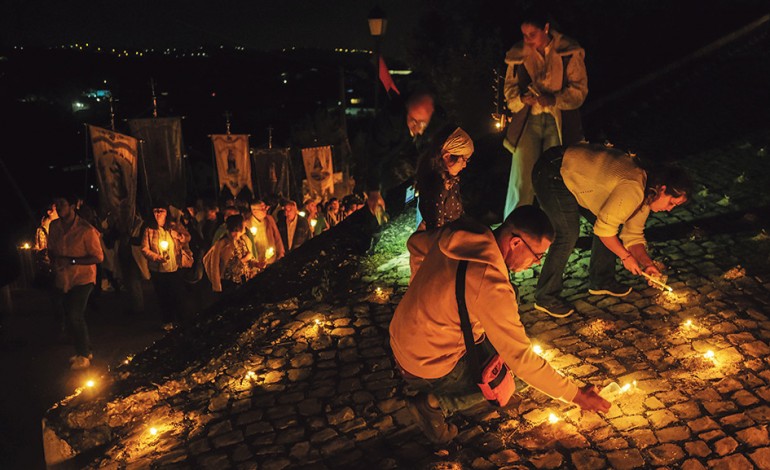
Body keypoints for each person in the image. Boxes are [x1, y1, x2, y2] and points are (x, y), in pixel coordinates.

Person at [390, 206, 610, 444]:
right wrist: (576, 396)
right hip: (427, 366)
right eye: (537, 255)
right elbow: (521, 359)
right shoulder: (491, 284)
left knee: (500, 339)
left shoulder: (463, 235)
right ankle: (434, 404)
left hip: (400, 339)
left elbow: (415, 245)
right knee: (512, 378)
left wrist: (421, 289)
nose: (536, 263)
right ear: (515, 243)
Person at [532, 143, 693, 317]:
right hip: (554, 170)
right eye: (671, 203)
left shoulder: (647, 194)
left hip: (579, 176)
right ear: (662, 189)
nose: (670, 210)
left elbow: (633, 235)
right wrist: (625, 256)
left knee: (609, 221)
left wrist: (648, 265)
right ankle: (545, 296)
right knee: (568, 233)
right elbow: (604, 231)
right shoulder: (634, 189)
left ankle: (601, 280)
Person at [502, 8, 588, 219]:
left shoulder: (568, 51)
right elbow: (509, 90)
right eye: (524, 35)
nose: (527, 39)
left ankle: (554, 228)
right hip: (529, 120)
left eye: (532, 34)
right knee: (521, 177)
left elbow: (579, 90)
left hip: (557, 121)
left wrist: (555, 99)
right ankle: (514, 226)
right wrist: (522, 99)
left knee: (554, 176)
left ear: (546, 29)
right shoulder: (518, 55)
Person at [367, 90, 445, 217]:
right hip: (389, 163)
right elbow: (374, 157)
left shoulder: (435, 123)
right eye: (414, 121)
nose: (418, 129)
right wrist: (374, 191)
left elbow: (427, 151)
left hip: (410, 160)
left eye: (423, 123)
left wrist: (421, 177)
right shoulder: (387, 123)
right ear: (406, 111)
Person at [48, 196, 104, 369]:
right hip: (63, 278)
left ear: (72, 206)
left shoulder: (86, 230)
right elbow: (52, 249)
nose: (58, 208)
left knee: (75, 314)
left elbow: (98, 257)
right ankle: (84, 348)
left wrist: (72, 261)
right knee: (68, 314)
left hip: (82, 278)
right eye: (56, 205)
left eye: (62, 204)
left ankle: (84, 355)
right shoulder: (54, 226)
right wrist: (51, 258)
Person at [141, 204, 191, 329]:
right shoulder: (149, 230)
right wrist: (156, 257)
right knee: (163, 296)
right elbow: (144, 248)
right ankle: (167, 320)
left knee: (178, 294)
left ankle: (183, 320)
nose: (158, 214)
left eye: (161, 211)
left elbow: (187, 237)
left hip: (174, 267)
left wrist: (179, 236)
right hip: (158, 270)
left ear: (166, 213)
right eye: (155, 211)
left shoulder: (173, 226)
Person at [415, 127, 474, 230]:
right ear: (447, 157)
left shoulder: (449, 179)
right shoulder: (437, 187)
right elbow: (436, 229)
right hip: (445, 241)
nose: (464, 165)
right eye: (463, 159)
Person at [203, 215, 263, 293]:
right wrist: (217, 287)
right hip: (230, 284)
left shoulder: (244, 240)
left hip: (244, 280)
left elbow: (249, 258)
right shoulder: (222, 244)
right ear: (238, 227)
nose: (245, 226)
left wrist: (257, 264)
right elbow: (217, 267)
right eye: (243, 224)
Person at [246, 200, 285, 264]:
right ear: (254, 211)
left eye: (265, 207)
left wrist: (281, 252)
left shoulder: (269, 219)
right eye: (262, 209)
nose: (265, 210)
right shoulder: (248, 223)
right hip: (258, 261)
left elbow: (277, 236)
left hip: (273, 259)